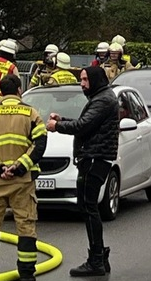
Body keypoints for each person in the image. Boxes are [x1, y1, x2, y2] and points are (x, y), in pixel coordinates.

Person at [47, 66, 119, 277]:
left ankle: (96, 259)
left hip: (95, 158)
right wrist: (62, 120)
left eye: (86, 79)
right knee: (86, 206)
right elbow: (86, 124)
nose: (82, 84)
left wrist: (56, 126)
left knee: (88, 207)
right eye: (81, 80)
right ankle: (99, 257)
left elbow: (83, 126)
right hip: (94, 157)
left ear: (95, 80)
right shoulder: (100, 98)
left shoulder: (103, 100)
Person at [0, 75, 47, 281]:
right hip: (22, 183)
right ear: (18, 90)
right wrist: (19, 167)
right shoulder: (31, 113)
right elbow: (40, 144)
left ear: (0, 92)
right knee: (26, 227)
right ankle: (26, 276)